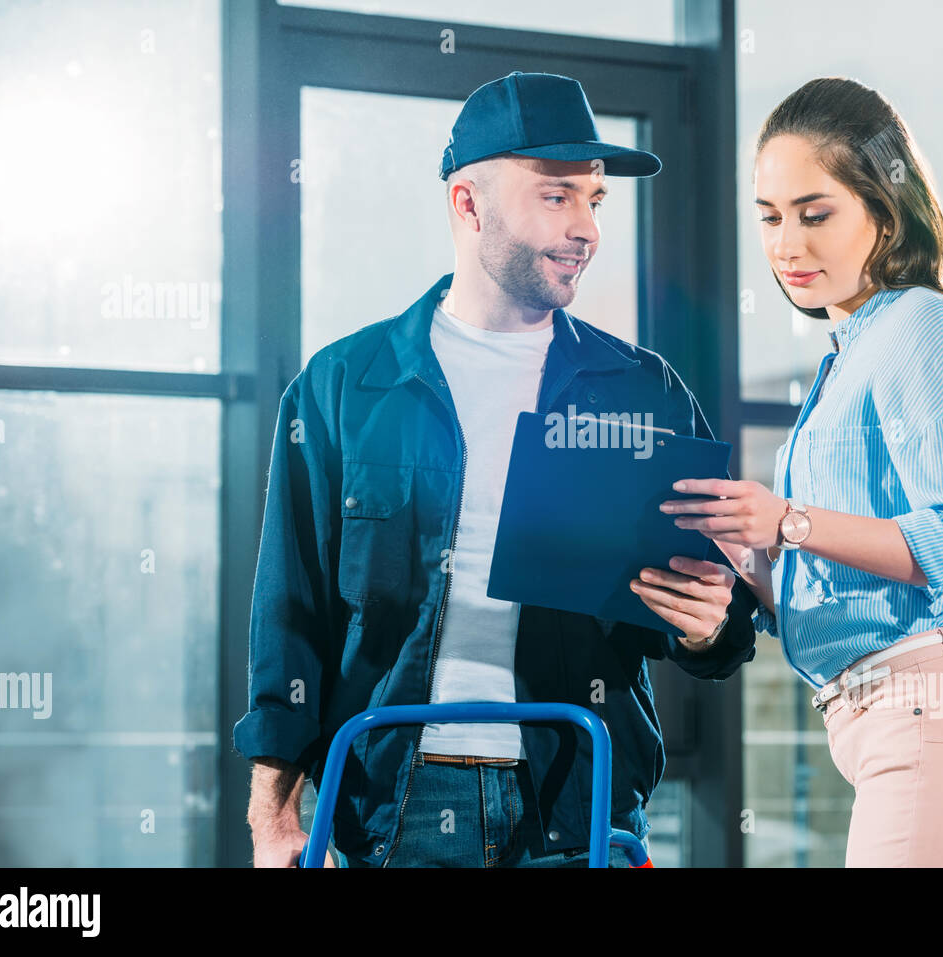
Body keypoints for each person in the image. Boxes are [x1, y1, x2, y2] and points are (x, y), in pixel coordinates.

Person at [234, 71, 758, 868]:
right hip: (394, 806)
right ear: (467, 204)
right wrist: (273, 820)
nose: (586, 227)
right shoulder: (344, 388)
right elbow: (290, 619)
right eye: (556, 196)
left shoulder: (643, 391)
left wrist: (710, 622)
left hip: (580, 802)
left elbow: (717, 628)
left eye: (595, 200)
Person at [665, 77, 943, 866]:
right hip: (894, 723)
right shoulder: (848, 360)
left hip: (940, 719)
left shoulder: (921, 324)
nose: (786, 245)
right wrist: (750, 568)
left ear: (884, 209)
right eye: (770, 217)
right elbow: (853, 592)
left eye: (816, 214)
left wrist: (787, 521)